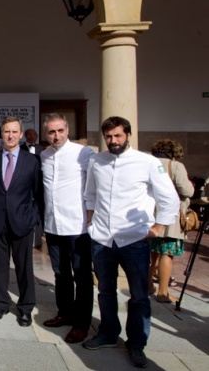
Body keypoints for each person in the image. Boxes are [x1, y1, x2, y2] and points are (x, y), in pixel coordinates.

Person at [82, 116, 179, 368]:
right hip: (103, 238)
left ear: (128, 135)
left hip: (134, 239)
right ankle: (108, 333)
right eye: (109, 137)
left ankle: (137, 343)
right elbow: (90, 194)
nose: (113, 141)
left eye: (118, 136)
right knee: (105, 290)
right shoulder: (97, 160)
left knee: (138, 295)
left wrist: (159, 226)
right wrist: (91, 222)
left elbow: (169, 197)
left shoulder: (147, 162)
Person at [0, 116, 43, 327]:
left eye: (14, 132)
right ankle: (1, 303)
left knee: (24, 268)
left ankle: (25, 308)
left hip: (21, 222)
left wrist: (34, 220)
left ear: (21, 134)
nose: (11, 135)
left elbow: (39, 195)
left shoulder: (31, 161)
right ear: (1, 134)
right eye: (7, 131)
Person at [40, 114, 94, 343]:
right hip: (53, 225)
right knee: (61, 274)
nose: (56, 135)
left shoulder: (84, 153)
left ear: (67, 130)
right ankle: (65, 313)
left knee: (81, 275)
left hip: (77, 225)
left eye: (60, 130)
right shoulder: (44, 155)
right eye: (52, 132)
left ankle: (82, 324)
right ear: (46, 134)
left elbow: (93, 187)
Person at [148, 139, 194, 303]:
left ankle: (148, 285)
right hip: (170, 215)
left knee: (152, 252)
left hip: (150, 213)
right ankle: (163, 291)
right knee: (167, 252)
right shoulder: (174, 166)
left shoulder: (148, 162)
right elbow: (186, 190)